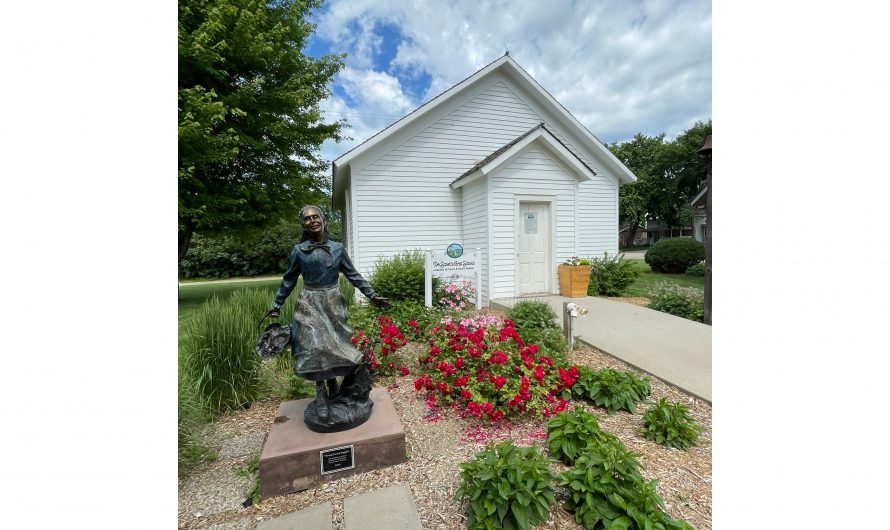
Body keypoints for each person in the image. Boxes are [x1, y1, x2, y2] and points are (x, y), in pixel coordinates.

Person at [266, 205, 388, 421]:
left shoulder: (338, 248)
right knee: (314, 345)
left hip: (333, 303)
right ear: (303, 224)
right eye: (307, 218)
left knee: (335, 346)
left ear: (323, 220)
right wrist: (277, 304)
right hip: (309, 302)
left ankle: (334, 386)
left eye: (316, 217)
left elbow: (353, 274)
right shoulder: (299, 251)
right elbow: (289, 279)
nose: (312, 221)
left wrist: (372, 295)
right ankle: (321, 393)